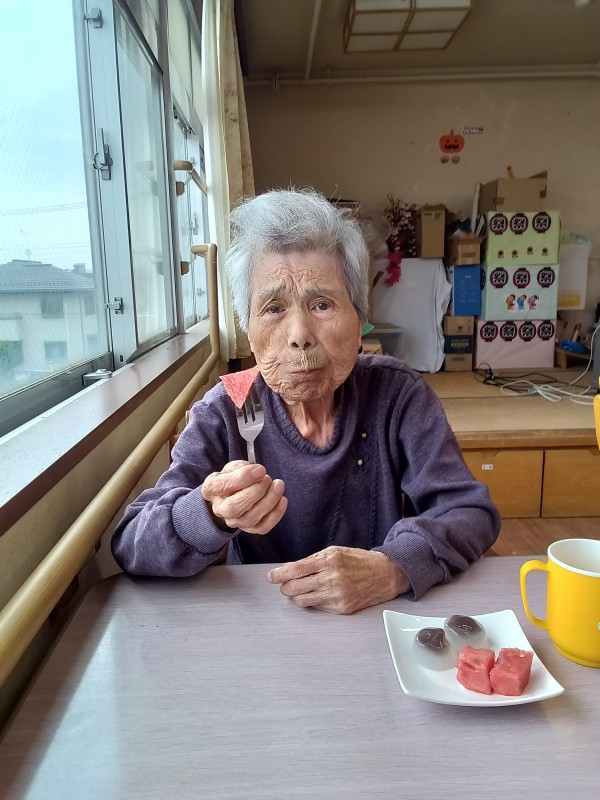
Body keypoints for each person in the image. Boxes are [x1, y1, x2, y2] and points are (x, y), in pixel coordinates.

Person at [112, 189, 500, 614]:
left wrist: (394, 568)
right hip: (261, 623)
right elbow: (132, 542)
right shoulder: (228, 407)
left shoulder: (396, 394)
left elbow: (469, 511)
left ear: (360, 319)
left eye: (322, 304)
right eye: (273, 308)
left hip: (375, 618)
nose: (300, 335)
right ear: (248, 329)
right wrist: (209, 513)